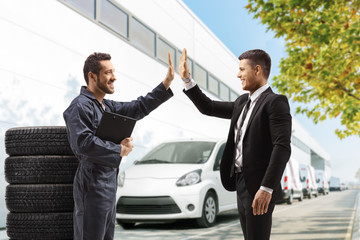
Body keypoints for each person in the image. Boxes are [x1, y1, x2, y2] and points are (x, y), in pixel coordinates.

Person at [179, 48, 291, 240]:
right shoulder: (241, 103)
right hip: (240, 182)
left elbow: (282, 148)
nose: (238, 74)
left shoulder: (275, 102)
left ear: (257, 70)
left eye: (242, 69)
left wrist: (267, 188)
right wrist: (187, 80)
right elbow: (208, 107)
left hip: (259, 185)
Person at [63, 52, 174, 240]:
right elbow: (82, 143)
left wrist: (166, 83)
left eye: (113, 72)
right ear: (92, 76)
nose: (114, 77)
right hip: (91, 187)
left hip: (108, 185)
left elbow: (138, 107)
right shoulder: (80, 106)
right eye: (108, 72)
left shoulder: (106, 106)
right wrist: (118, 149)